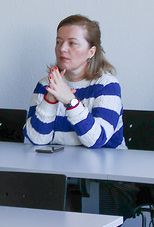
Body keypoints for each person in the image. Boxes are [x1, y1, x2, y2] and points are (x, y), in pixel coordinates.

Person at [24, 14, 123, 149]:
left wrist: (70, 101)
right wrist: (50, 100)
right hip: (59, 161)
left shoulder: (107, 85)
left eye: (72, 43)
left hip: (106, 161)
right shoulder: (45, 84)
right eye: (58, 42)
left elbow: (97, 141)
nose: (62, 49)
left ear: (91, 52)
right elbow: (36, 139)